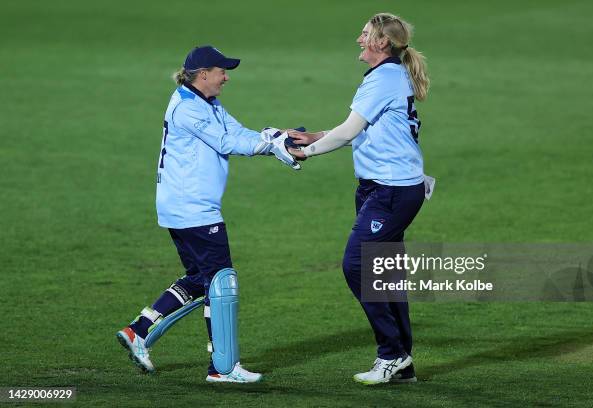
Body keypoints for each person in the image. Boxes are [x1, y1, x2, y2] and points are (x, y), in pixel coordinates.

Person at [116, 45, 297, 383]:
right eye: (221, 72)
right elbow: (227, 143)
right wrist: (272, 146)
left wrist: (275, 138)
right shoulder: (188, 110)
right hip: (193, 208)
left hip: (184, 206)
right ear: (203, 75)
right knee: (220, 282)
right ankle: (224, 368)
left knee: (201, 279)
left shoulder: (204, 102)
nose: (226, 77)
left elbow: (238, 132)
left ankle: (138, 332)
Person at [288, 13, 430, 385]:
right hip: (382, 188)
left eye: (365, 34)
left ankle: (392, 353)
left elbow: (350, 130)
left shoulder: (382, 79)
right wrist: (315, 135)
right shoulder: (389, 76)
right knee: (385, 275)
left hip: (392, 190)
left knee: (357, 266)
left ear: (381, 43)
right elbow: (359, 129)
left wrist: (305, 153)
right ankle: (403, 363)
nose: (358, 39)